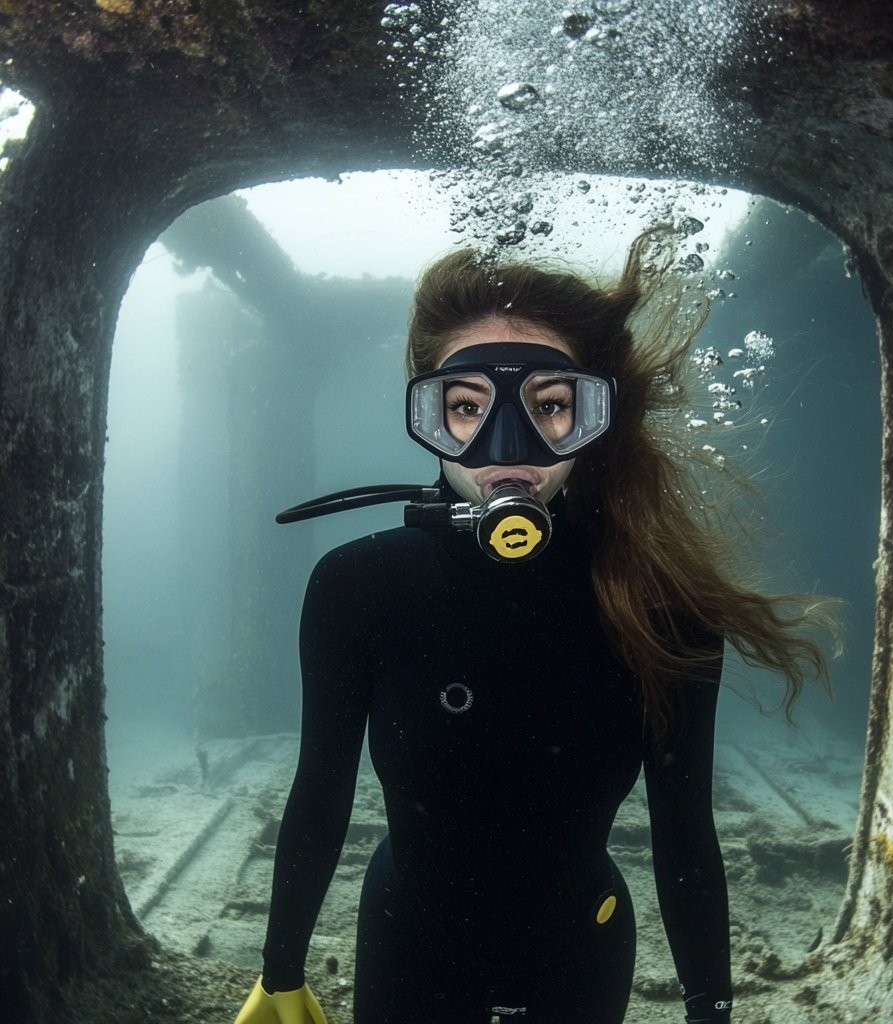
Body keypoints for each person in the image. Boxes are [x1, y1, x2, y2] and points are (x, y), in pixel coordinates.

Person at [233, 227, 836, 1024]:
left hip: (578, 956)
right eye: (468, 406)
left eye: (550, 406)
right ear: (429, 414)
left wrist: (710, 1009)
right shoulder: (358, 587)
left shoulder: (662, 606)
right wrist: (280, 975)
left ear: (595, 416)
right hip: (406, 947)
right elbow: (320, 790)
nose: (506, 447)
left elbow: (685, 835)